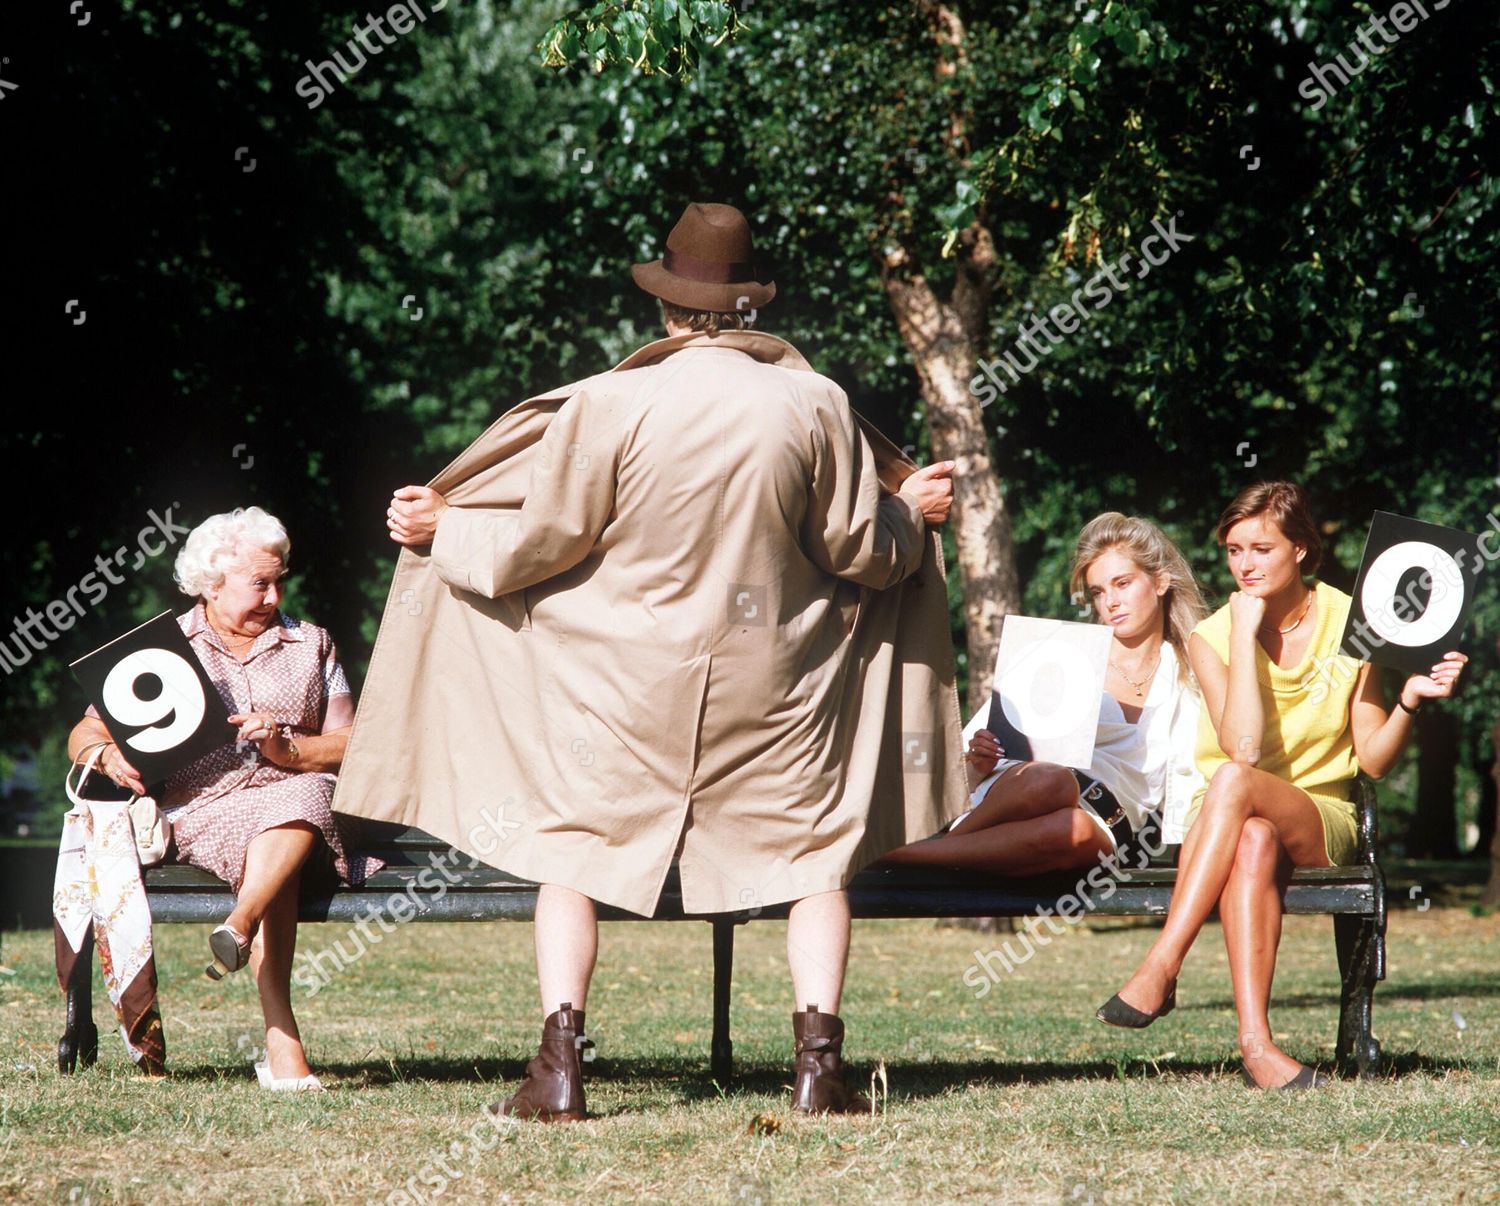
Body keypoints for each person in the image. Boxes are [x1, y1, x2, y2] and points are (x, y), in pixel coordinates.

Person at [347, 201, 963, 1119]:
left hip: (619, 693)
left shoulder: (608, 401)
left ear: (666, 308)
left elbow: (544, 545)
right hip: (779, 689)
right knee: (814, 859)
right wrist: (909, 512)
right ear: (748, 306)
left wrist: (449, 532)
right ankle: (818, 1071)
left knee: (569, 849)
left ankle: (559, 1069)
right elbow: (858, 554)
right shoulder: (814, 401)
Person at [1097, 481, 1468, 1089]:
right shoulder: (1213, 635)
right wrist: (1244, 636)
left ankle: (1163, 964)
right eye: (1233, 550)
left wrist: (1408, 700)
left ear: (1300, 548)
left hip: (1320, 816)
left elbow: (1371, 760)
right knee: (1251, 834)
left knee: (1237, 785)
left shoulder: (1358, 622)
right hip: (1230, 819)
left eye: (1261, 548)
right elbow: (1241, 744)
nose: (1244, 564)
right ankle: (1257, 1048)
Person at [66, 506, 379, 1091]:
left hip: (299, 798)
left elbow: (351, 741)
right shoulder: (161, 650)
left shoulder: (311, 643)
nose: (273, 595)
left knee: (303, 794)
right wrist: (108, 757)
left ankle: (241, 925)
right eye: (259, 583)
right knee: (284, 821)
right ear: (211, 585)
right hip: (205, 808)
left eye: (279, 580)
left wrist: (288, 747)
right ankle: (279, 1037)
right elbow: (83, 733)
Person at [878, 512, 1206, 874]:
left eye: (1123, 583)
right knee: (1051, 780)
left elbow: (1201, 774)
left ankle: (897, 857)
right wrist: (980, 760)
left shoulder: (1191, 672)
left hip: (1104, 825)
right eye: (1098, 591)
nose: (1110, 601)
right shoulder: (1066, 655)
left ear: (1160, 582)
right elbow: (964, 767)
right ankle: (937, 845)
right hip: (1026, 797)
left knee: (1076, 829)